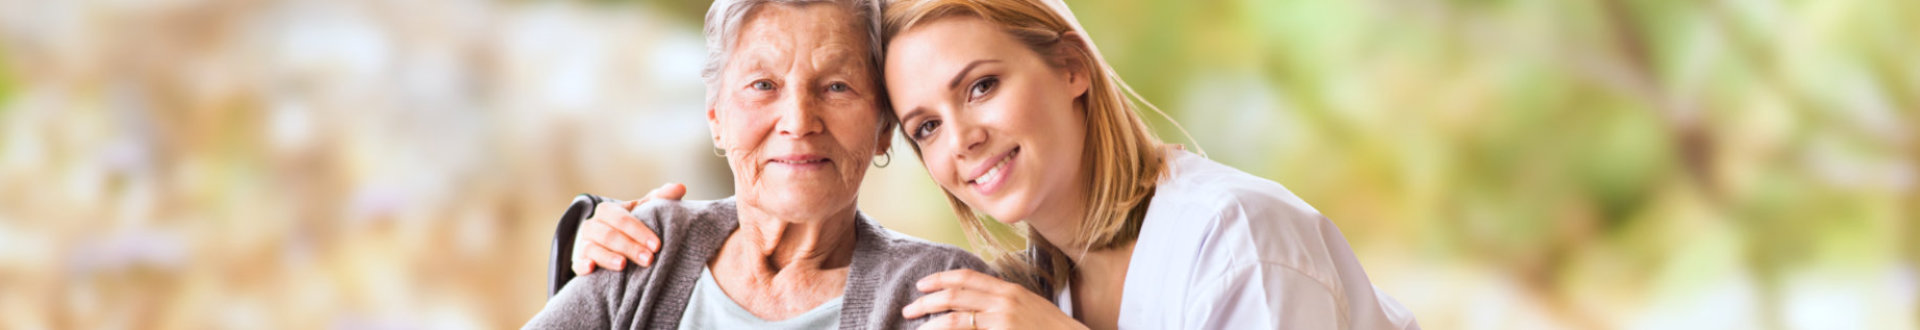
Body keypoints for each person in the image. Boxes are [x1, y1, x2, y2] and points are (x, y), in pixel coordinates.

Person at [574, 0, 1421, 328]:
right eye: (927, 124)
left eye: (981, 86)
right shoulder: (1029, 289)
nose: (962, 140)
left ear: (1072, 67)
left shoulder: (1238, 239)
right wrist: (588, 246)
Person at [522, 0, 989, 329]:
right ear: (716, 120)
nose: (799, 122)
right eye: (763, 85)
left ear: (884, 127)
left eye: (837, 86)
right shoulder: (650, 245)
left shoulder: (938, 293)